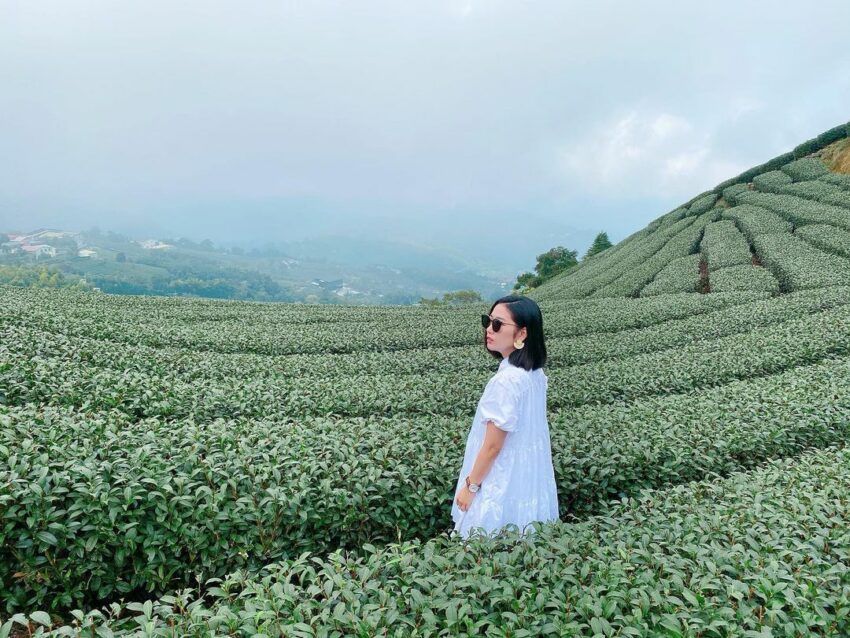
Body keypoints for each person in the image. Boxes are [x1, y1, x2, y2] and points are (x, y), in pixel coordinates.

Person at [451, 295, 559, 540]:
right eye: (487, 322)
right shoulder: (534, 373)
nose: (489, 330)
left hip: (500, 477)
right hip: (526, 477)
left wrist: (470, 487)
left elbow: (492, 446)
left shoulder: (506, 381)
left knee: (484, 545)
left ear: (522, 334)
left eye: (498, 324)